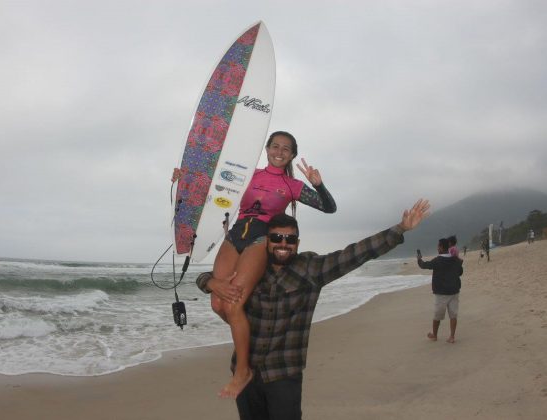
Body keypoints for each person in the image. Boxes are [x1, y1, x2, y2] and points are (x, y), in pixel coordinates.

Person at [196, 199, 430, 419]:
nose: (283, 244)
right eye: (277, 237)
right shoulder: (251, 268)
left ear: (297, 243)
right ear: (266, 241)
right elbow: (209, 276)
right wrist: (210, 283)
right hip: (245, 371)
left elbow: (356, 253)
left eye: (290, 239)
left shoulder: (311, 269)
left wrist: (400, 229)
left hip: (284, 374)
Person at [173, 131, 337, 398]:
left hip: (262, 237)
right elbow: (209, 188)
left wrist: (318, 184)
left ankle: (243, 371)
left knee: (234, 303)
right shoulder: (248, 174)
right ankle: (253, 335)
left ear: (292, 155)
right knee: (218, 303)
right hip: (236, 233)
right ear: (267, 149)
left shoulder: (292, 186)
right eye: (275, 146)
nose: (280, 151)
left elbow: (329, 207)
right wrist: (183, 179)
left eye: (286, 148)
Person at [417, 237, 463, 344]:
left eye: (438, 246)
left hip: (441, 293)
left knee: (437, 315)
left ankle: (434, 335)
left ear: (441, 247)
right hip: (454, 291)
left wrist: (419, 259)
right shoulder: (456, 259)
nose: (437, 248)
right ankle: (452, 337)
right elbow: (460, 272)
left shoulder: (437, 261)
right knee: (453, 315)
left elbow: (424, 265)